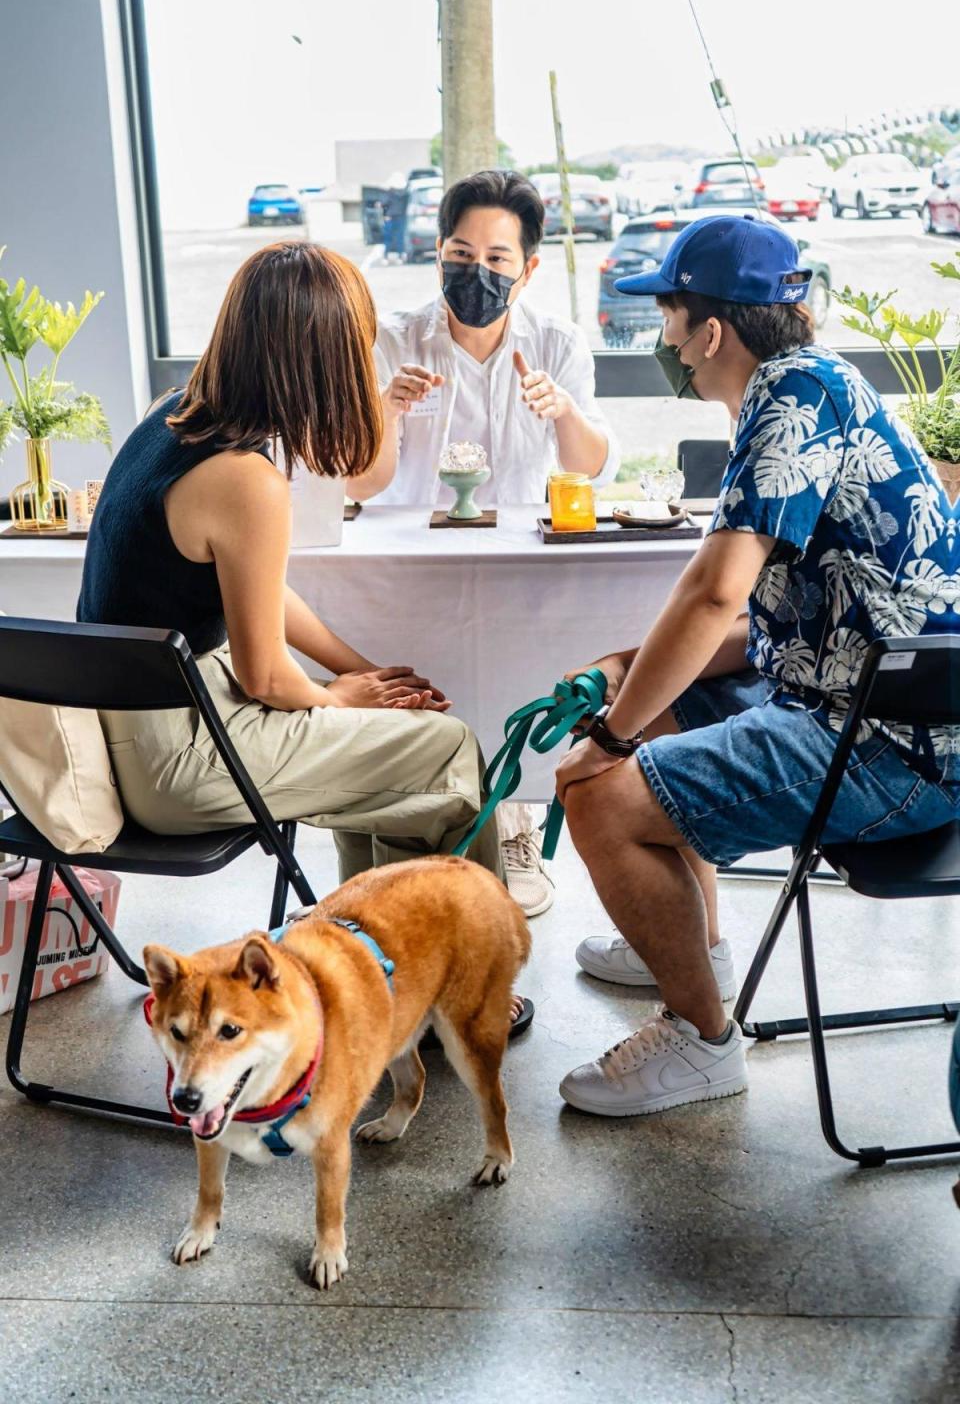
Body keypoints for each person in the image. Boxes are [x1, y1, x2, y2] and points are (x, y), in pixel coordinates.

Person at [552, 213, 959, 1118]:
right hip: (866, 703)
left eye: (667, 318)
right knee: (651, 699)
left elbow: (712, 593)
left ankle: (702, 1041)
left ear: (711, 329)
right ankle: (696, 944)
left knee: (595, 795)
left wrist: (605, 741)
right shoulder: (806, 385)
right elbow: (789, 621)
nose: (663, 343)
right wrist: (627, 672)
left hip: (900, 743)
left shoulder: (791, 395)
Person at [76, 240, 515, 953]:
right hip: (179, 762)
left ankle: (378, 971)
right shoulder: (248, 480)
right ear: (322, 361)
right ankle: (468, 983)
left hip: (145, 727)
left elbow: (263, 594)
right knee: (447, 748)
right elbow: (267, 678)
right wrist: (343, 695)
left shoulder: (173, 417)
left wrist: (356, 668)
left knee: (388, 762)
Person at [351, 169, 622, 916]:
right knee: (426, 698)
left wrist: (561, 410)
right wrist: (388, 408)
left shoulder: (557, 342)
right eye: (461, 252)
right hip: (410, 564)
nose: (478, 271)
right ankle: (426, 838)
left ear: (527, 269)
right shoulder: (392, 338)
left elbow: (589, 464)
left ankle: (515, 821)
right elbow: (360, 483)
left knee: (520, 691)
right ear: (438, 252)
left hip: (517, 564)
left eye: (498, 259)